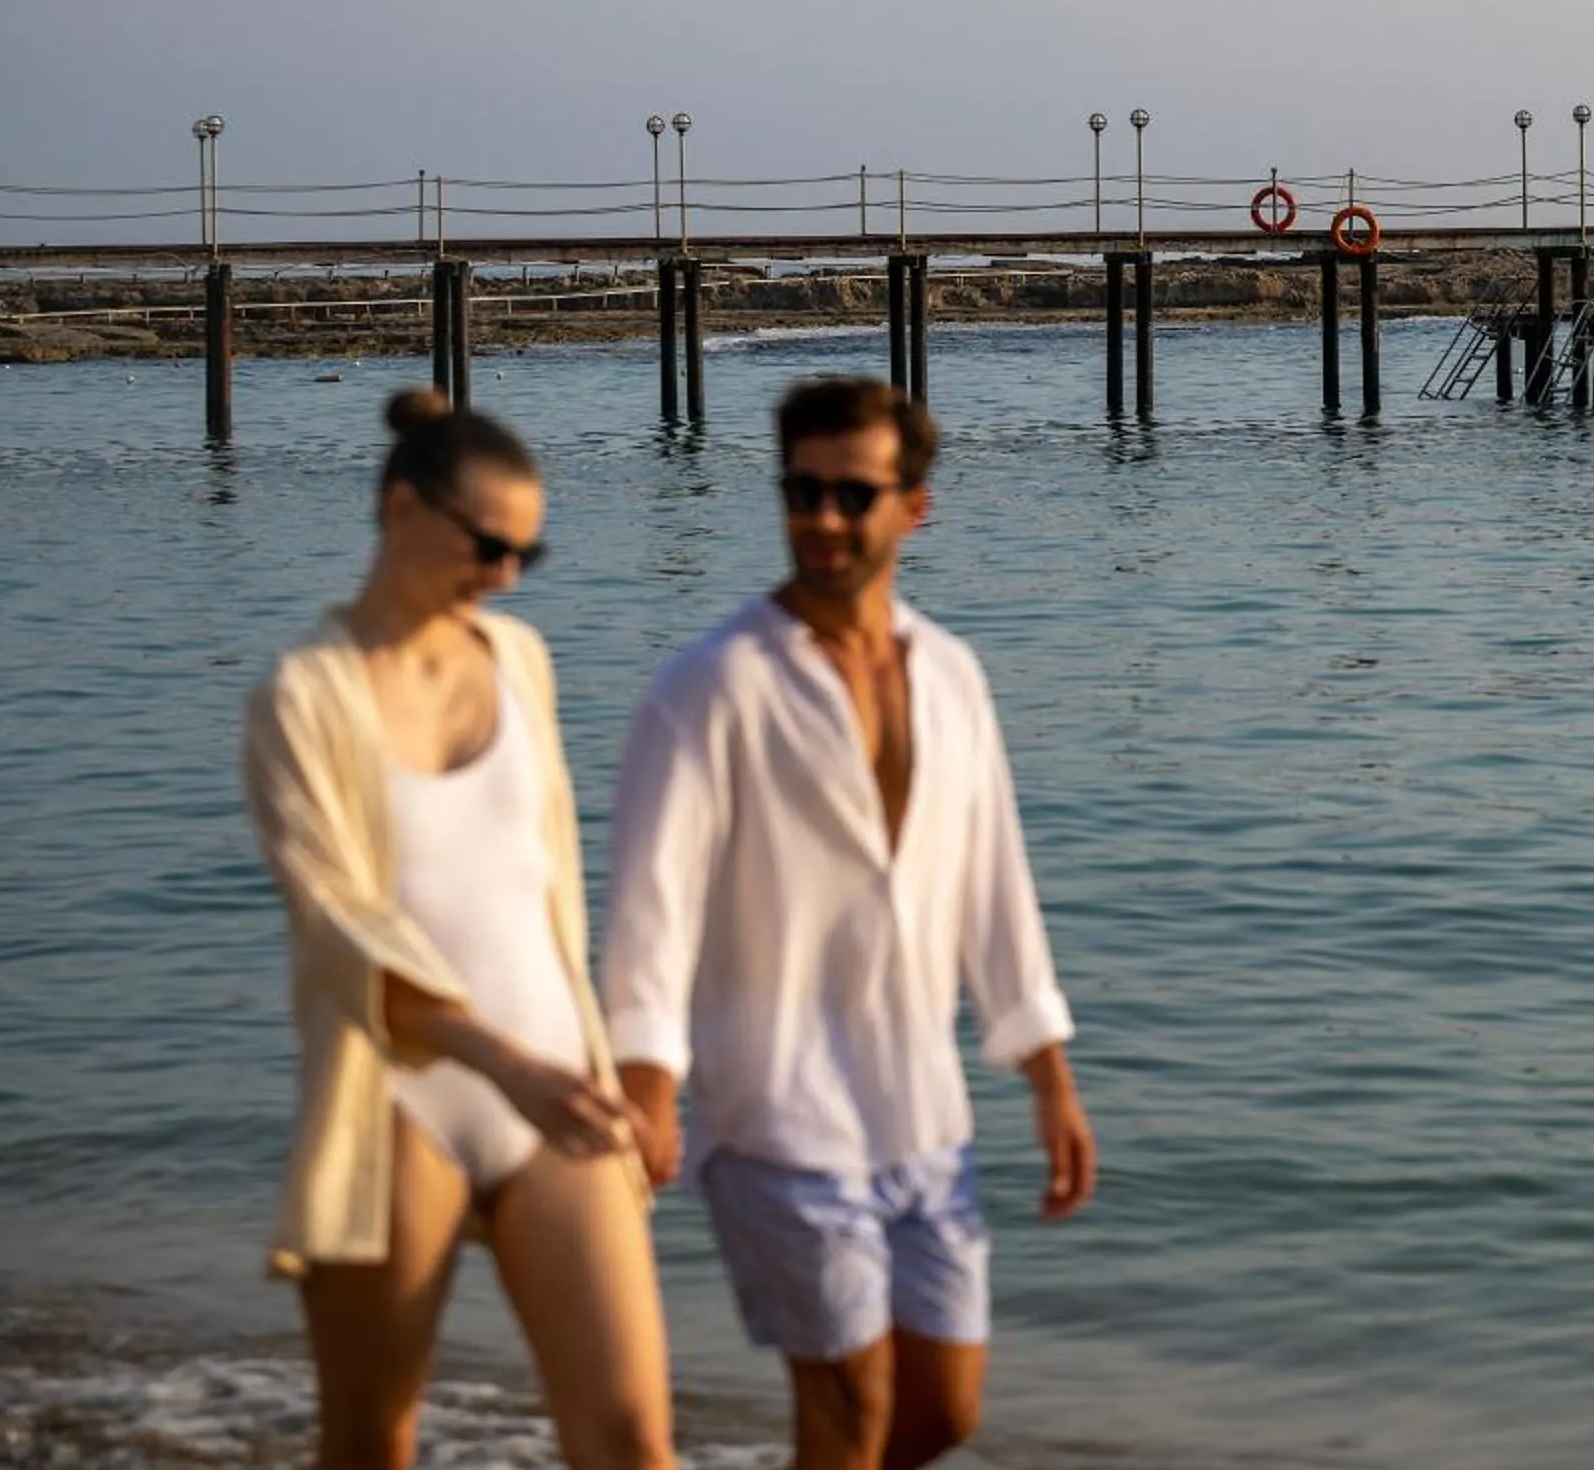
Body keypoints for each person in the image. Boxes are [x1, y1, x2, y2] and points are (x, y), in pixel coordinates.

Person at [604, 376, 1096, 1470]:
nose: (822, 517)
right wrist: (647, 1085)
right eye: (801, 490)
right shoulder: (710, 686)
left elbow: (994, 886)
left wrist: (1049, 1077)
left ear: (914, 503)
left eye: (850, 493)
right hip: (775, 1110)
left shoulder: (953, 677)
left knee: (944, 1412)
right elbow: (651, 908)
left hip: (923, 1112)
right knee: (850, 1412)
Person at [242, 389, 674, 1470]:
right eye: (487, 544)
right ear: (401, 508)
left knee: (630, 1438)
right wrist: (501, 1060)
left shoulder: (520, 659)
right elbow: (343, 929)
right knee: (372, 1440)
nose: (507, 575)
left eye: (531, 550)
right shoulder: (303, 693)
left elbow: (554, 888)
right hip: (398, 1091)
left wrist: (615, 1054)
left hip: (557, 1083)